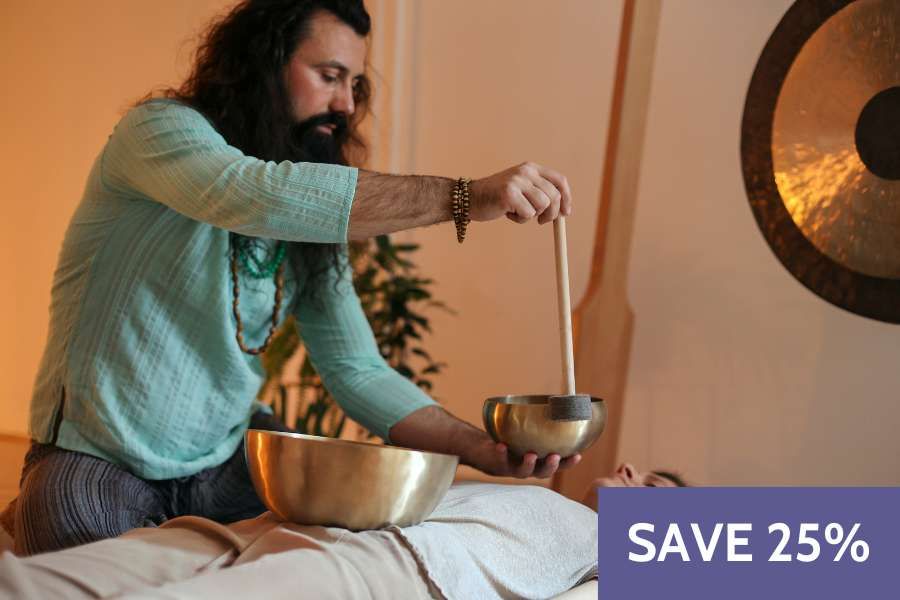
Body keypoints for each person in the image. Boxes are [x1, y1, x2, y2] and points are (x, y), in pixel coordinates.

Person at [3, 0, 582, 557]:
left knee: (353, 545)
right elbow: (250, 194)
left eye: (356, 85)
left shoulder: (309, 227)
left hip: (227, 458)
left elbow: (356, 368)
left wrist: (483, 448)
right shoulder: (156, 131)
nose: (345, 104)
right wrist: (464, 196)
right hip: (97, 456)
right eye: (330, 76)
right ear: (262, 64)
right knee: (74, 550)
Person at [0, 464, 677, 599]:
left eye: (652, 490)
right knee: (32, 581)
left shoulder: (599, 559)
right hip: (280, 528)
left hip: (387, 571)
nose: (628, 469)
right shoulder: (530, 495)